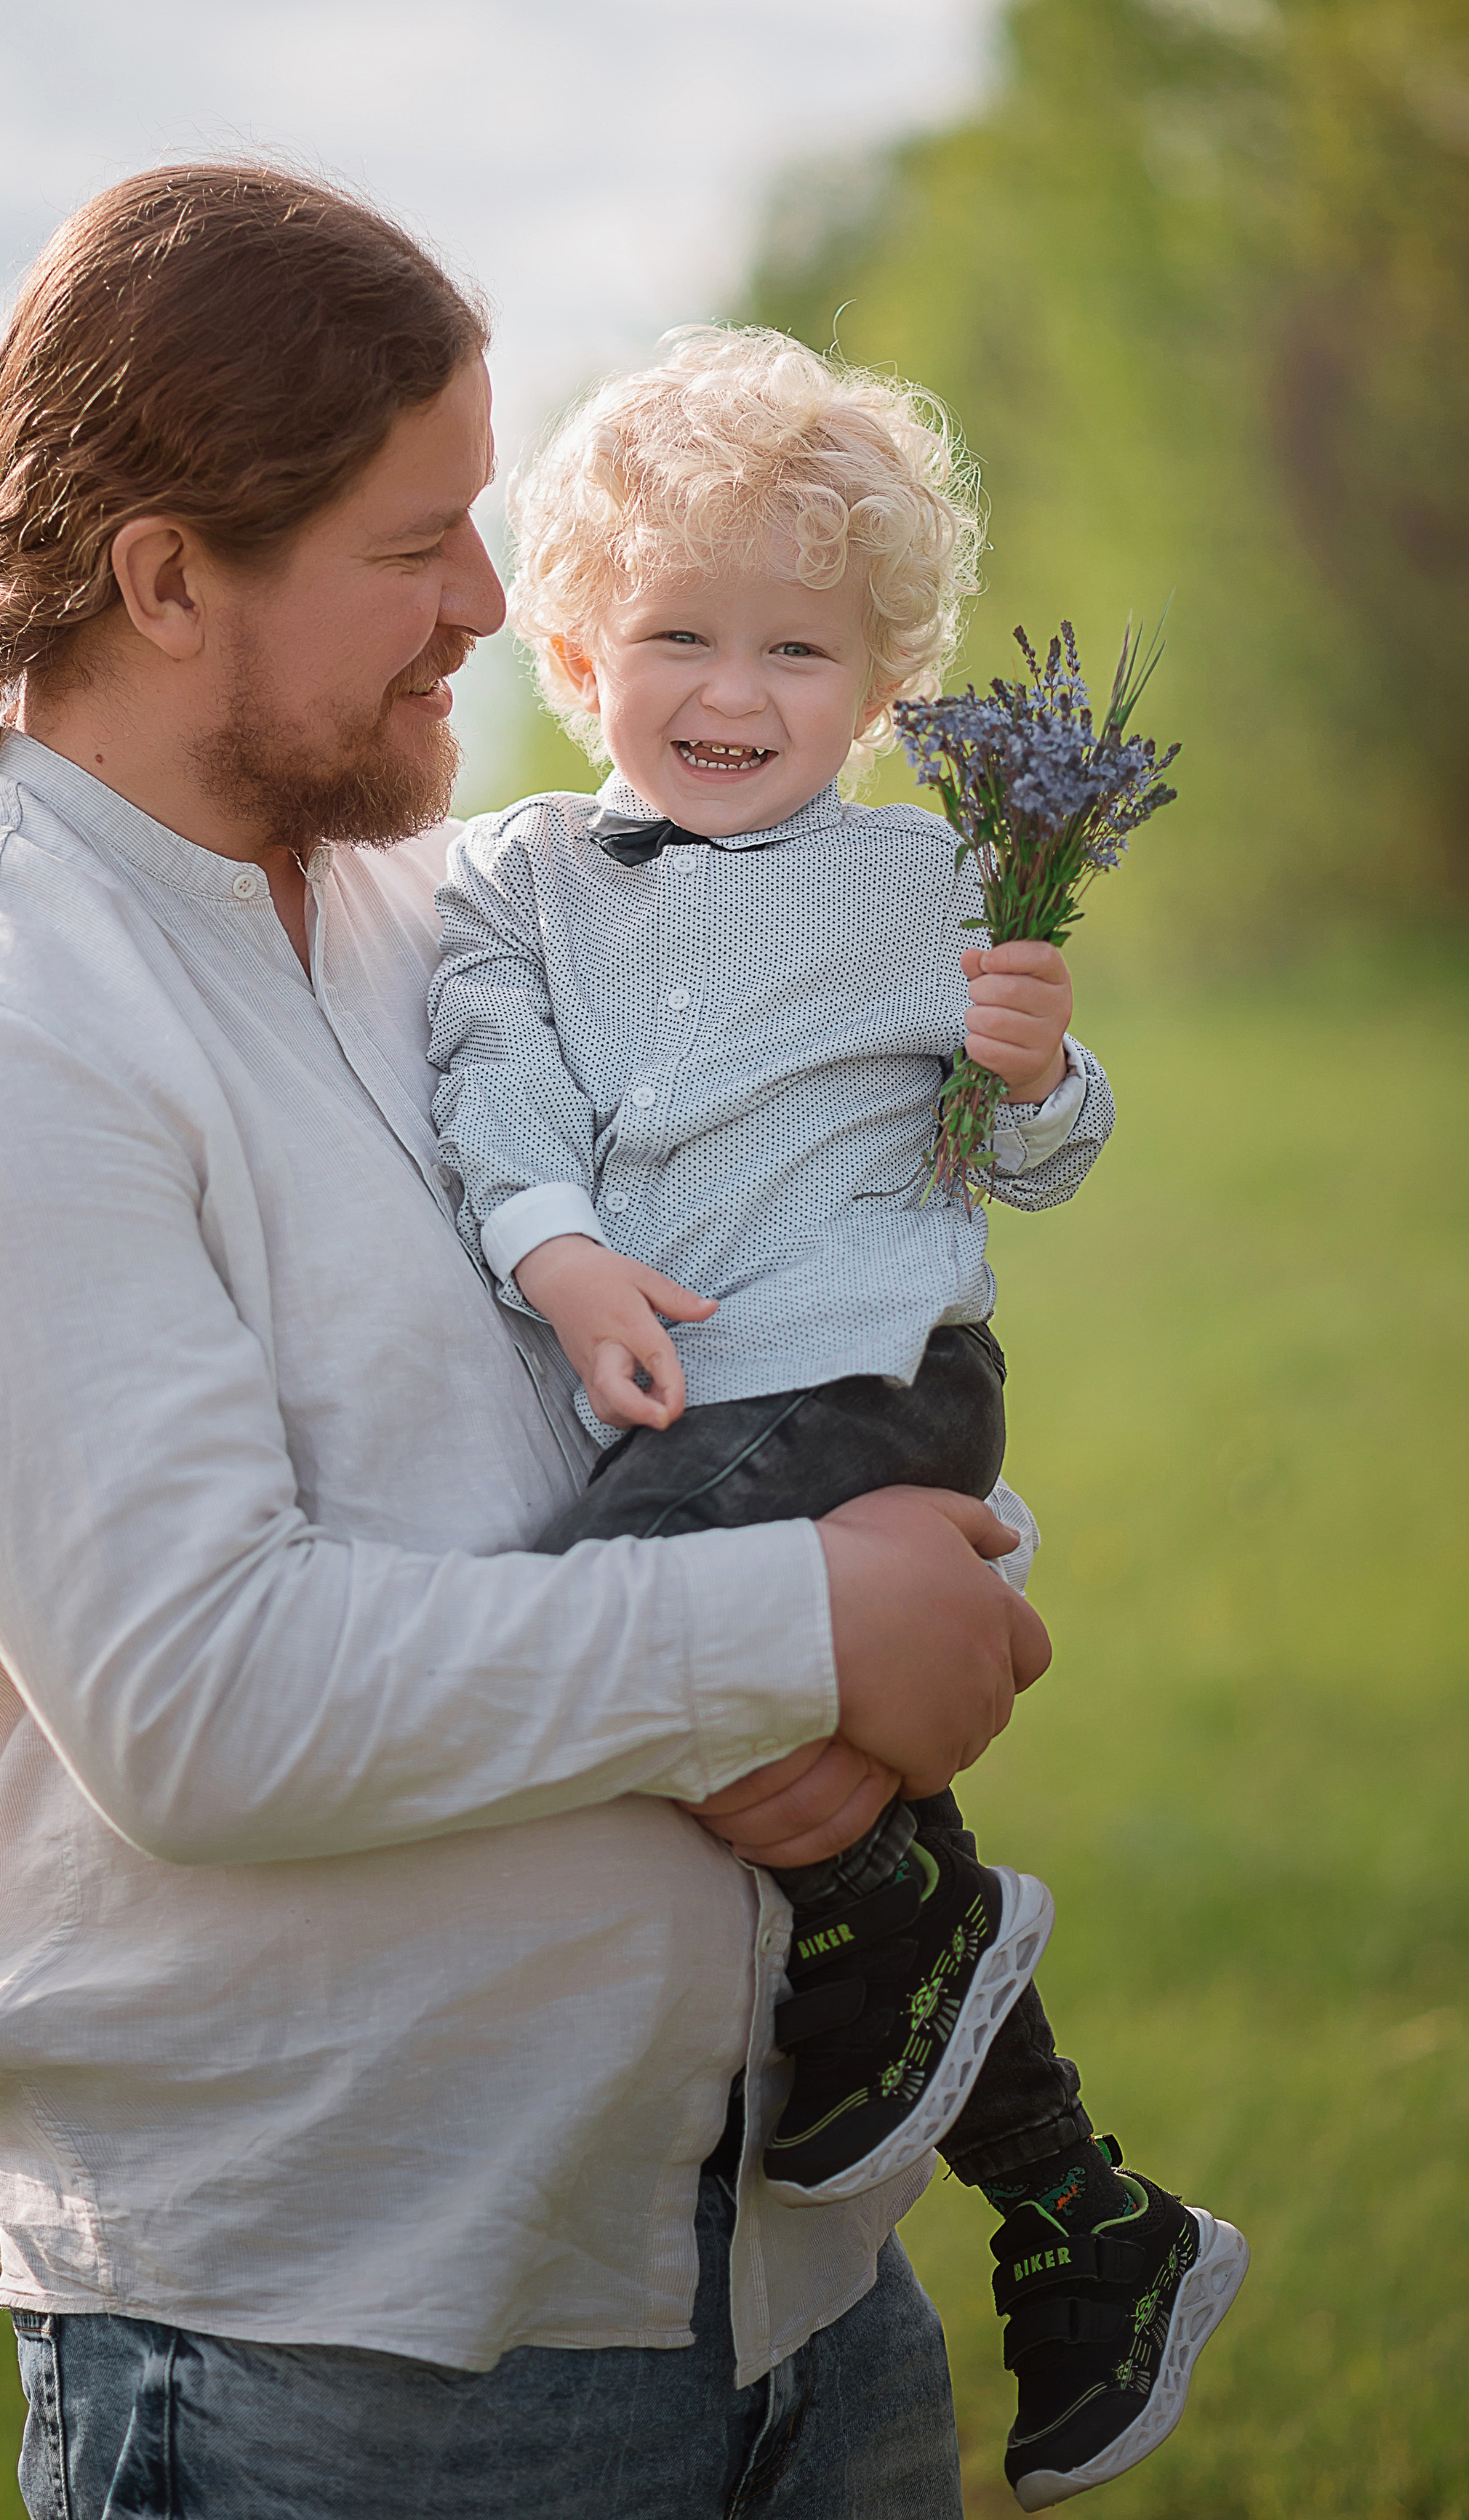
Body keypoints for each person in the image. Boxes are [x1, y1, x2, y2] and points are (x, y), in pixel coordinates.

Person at [0, 165, 1055, 2520]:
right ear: (168, 578)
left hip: (791, 2282)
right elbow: (209, 1702)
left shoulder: (443, 900)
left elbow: (782, 1300)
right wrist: (803, 1626)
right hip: (359, 2366)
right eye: (419, 544)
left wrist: (898, 1575)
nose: (495, 603)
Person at [428, 327, 1247, 2509]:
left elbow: (1039, 1167)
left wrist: (1032, 1064)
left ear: (877, 688)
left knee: (606, 1621)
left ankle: (942, 1954)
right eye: (678, 632)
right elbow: (485, 1064)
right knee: (777, 1784)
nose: (730, 687)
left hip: (873, 1380)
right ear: (582, 644)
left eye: (796, 648)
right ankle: (1092, 2219)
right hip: (684, 1385)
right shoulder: (510, 878)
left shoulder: (920, 886)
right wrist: (557, 1248)